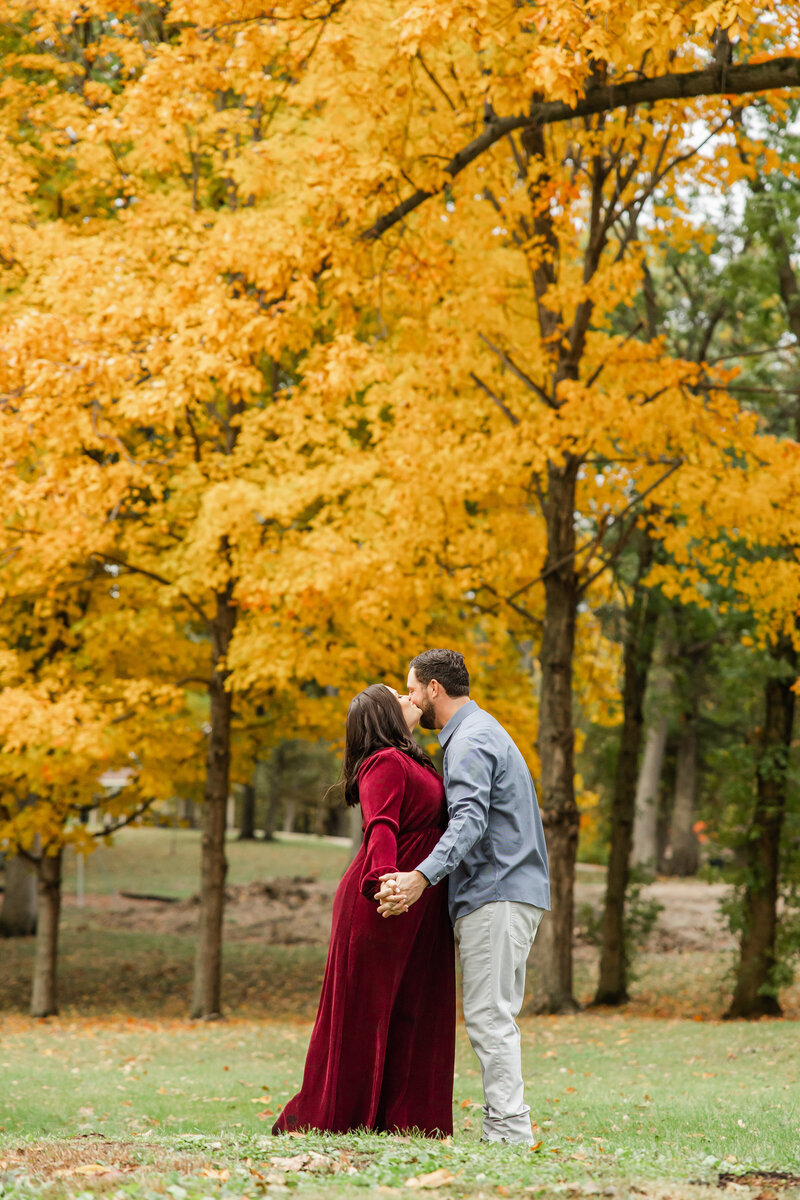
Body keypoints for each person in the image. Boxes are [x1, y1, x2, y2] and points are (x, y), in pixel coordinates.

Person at [376, 649, 550, 1145]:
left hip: (497, 892)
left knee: (489, 1015)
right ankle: (506, 1127)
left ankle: (510, 1132)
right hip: (509, 891)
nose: (409, 698)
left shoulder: (470, 740)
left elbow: (469, 821)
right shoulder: (479, 732)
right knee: (494, 1013)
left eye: (411, 689)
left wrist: (420, 877)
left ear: (434, 688)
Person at [272, 684, 455, 1138]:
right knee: (363, 1016)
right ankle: (335, 1116)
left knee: (414, 1009)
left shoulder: (411, 759)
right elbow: (381, 827)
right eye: (399, 696)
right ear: (383, 715)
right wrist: (384, 881)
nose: (410, 697)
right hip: (382, 901)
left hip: (417, 902)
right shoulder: (384, 762)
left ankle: (406, 1121)